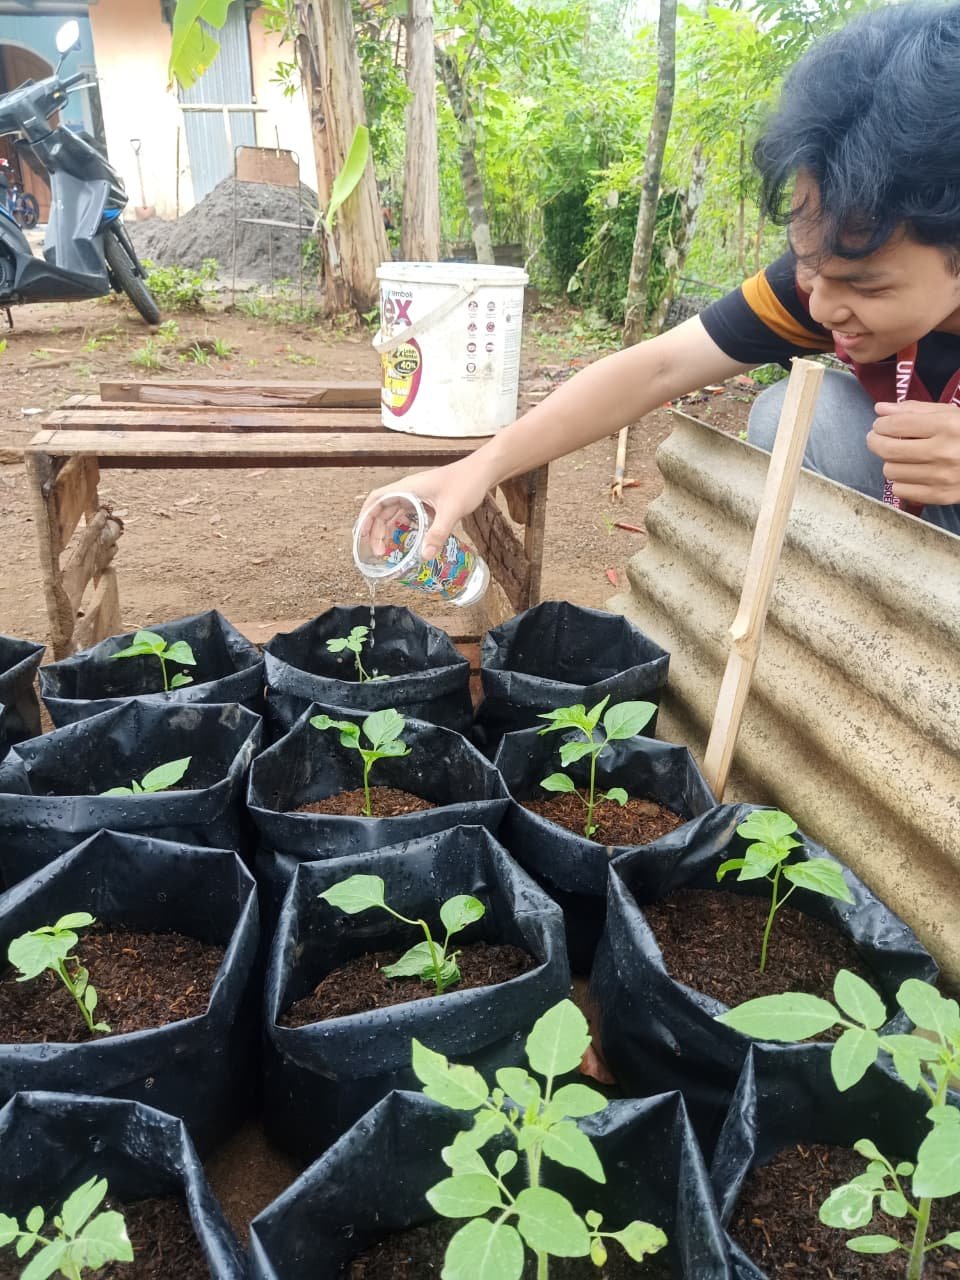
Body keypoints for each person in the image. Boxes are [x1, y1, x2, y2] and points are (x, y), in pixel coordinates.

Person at [363, 2, 960, 549]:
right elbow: (658, 367)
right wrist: (478, 468)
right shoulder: (826, 274)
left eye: (866, 286)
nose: (824, 306)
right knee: (800, 418)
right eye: (809, 264)